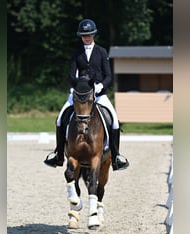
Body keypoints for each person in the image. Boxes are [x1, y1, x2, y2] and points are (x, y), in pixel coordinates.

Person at [44, 18, 129, 171]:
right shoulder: (77, 53)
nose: (86, 38)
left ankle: (116, 156)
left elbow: (108, 75)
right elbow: (71, 75)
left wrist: (100, 86)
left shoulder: (102, 52)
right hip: (79, 94)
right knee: (59, 120)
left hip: (98, 94)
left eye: (89, 35)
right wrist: (73, 89)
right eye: (84, 35)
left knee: (115, 121)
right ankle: (58, 154)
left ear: (93, 35)